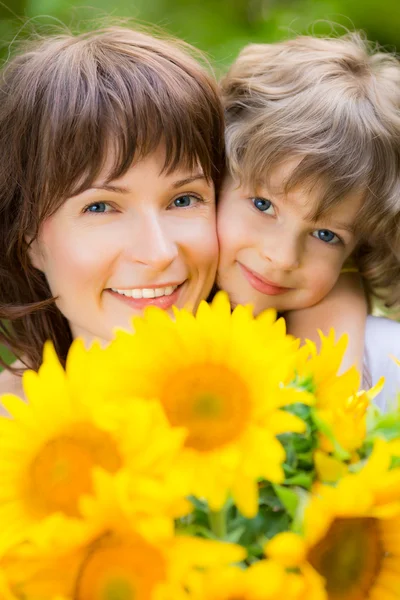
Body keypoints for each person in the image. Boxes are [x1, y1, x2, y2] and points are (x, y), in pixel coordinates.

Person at [0, 26, 369, 401]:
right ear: (28, 236)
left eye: (183, 200)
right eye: (100, 207)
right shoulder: (18, 432)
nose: (159, 252)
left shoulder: (349, 373)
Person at [216, 32, 400, 410]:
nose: (282, 257)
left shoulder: (381, 361)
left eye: (325, 234)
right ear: (214, 173)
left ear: (355, 255)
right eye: (264, 205)